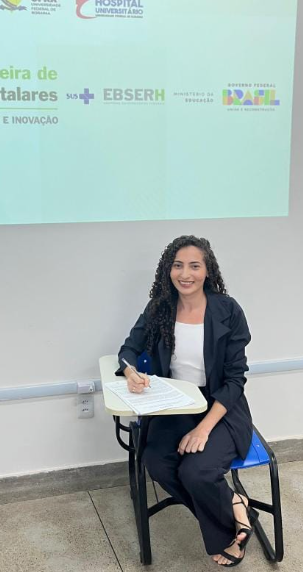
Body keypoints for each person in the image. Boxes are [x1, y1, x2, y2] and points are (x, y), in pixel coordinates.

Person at [116, 235, 256, 567]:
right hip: (176, 404)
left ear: (208, 271)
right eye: (177, 265)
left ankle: (228, 529)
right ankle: (236, 507)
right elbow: (128, 350)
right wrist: (130, 372)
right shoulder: (159, 308)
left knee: (197, 472)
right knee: (158, 463)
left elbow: (235, 380)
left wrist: (203, 429)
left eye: (195, 266)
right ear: (168, 270)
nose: (185, 274)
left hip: (220, 407)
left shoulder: (227, 310)